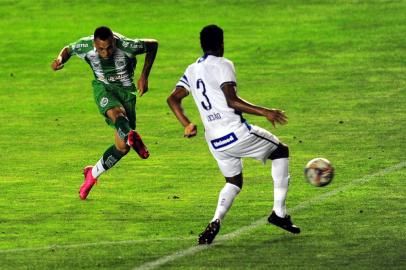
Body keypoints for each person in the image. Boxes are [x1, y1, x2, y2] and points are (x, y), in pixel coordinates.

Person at [167, 25, 300, 245]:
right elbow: (232, 100)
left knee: (234, 181)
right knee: (281, 151)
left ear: (202, 45)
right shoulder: (224, 64)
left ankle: (215, 220)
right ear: (221, 43)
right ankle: (279, 213)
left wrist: (187, 124)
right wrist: (266, 111)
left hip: (215, 141)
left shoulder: (191, 69)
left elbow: (173, 99)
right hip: (236, 133)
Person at [51, 26, 158, 200]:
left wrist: (144, 75)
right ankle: (130, 135)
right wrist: (59, 60)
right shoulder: (86, 45)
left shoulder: (127, 46)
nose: (106, 52)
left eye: (109, 47)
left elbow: (153, 45)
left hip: (126, 92)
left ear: (114, 42)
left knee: (122, 148)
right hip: (103, 89)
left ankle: (91, 175)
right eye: (100, 49)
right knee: (117, 114)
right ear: (94, 44)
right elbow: (68, 49)